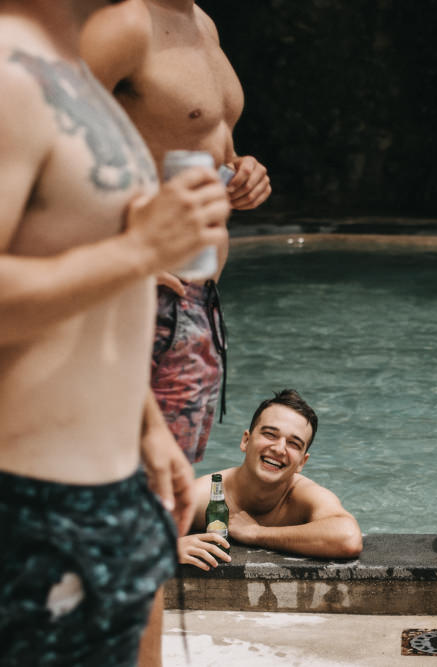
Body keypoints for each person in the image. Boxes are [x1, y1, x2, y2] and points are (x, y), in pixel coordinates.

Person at [0, 0, 230, 663]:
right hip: (32, 511)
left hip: (109, 500)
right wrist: (138, 250)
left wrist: (146, 427)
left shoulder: (69, 78)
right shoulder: (11, 76)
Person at [81, 0, 272, 465]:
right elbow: (52, 146)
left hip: (199, 293)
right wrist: (118, 258)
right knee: (110, 463)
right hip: (135, 292)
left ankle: (164, 537)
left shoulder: (201, 22)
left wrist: (243, 171)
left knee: (175, 464)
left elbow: (205, 145)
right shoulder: (123, 25)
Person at [178, 389, 363, 570]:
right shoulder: (205, 494)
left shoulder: (303, 494)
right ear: (246, 441)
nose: (279, 449)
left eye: (294, 443)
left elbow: (348, 538)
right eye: (270, 434)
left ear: (302, 462)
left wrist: (257, 533)